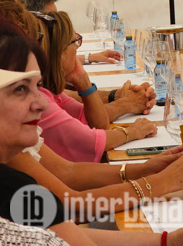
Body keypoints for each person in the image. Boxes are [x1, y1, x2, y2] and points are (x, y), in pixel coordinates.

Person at [0, 18, 183, 245]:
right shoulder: (11, 188)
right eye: (20, 89)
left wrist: (167, 239)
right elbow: (72, 204)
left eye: (38, 86)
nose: (41, 102)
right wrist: (160, 183)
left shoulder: (9, 180)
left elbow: (65, 230)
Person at [36, 10, 157, 162]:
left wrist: (84, 82)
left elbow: (98, 124)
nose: (77, 48)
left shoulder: (52, 92)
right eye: (75, 42)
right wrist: (132, 132)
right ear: (60, 52)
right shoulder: (40, 99)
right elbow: (92, 140)